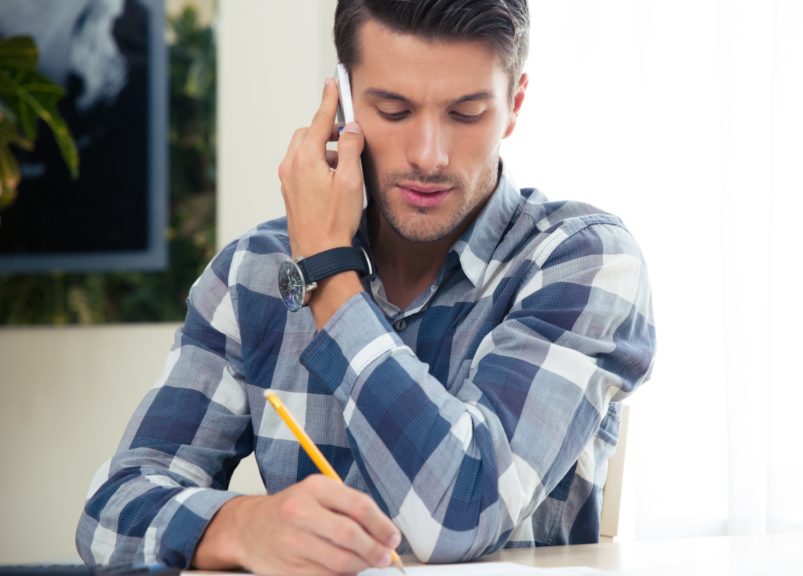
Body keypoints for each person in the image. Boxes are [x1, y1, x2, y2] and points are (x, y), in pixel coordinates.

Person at [76, 1, 656, 573]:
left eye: (466, 113)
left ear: (514, 106)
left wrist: (328, 274)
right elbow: (110, 513)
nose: (429, 156)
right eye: (394, 111)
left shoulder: (581, 260)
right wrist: (242, 526)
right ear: (343, 102)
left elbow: (462, 513)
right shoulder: (254, 273)